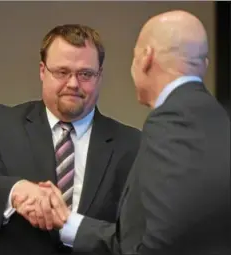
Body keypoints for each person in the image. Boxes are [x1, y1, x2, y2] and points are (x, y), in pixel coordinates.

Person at [40, 10, 231, 255]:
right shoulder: (215, 117)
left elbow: (155, 241)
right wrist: (71, 224)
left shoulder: (172, 119)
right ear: (203, 64)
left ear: (146, 58)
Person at [0, 24, 142, 255]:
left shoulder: (133, 144)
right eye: (62, 72)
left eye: (85, 74)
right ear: (43, 71)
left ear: (99, 76)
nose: (73, 83)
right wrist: (16, 191)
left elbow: (138, 234)